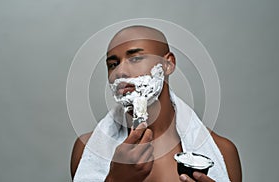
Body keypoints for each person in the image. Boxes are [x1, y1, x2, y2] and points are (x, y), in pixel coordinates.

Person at [70, 25, 242, 182]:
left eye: (135, 58)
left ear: (168, 64)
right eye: (113, 64)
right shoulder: (86, 149)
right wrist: (114, 180)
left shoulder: (223, 152)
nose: (119, 72)